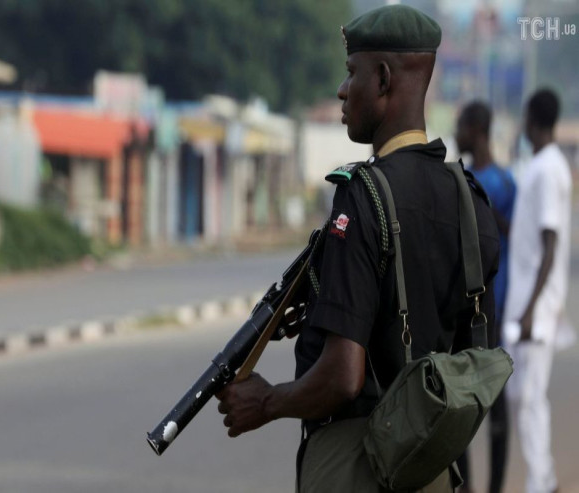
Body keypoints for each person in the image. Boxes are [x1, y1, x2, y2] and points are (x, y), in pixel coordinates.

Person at [215, 5, 500, 492]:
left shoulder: (362, 196)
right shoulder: (471, 200)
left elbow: (343, 377)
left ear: (384, 79)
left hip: (358, 467)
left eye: (352, 73)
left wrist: (265, 403)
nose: (343, 90)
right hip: (429, 468)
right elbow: (476, 354)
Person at [502, 88, 571, 493]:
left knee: (529, 398)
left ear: (533, 120)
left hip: (536, 306)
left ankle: (540, 481)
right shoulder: (544, 166)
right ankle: (540, 476)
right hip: (531, 302)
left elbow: (549, 243)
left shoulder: (547, 169)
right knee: (524, 396)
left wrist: (530, 310)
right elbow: (530, 238)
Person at [455, 101, 516, 493]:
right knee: (462, 400)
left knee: (486, 396)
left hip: (491, 304)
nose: (456, 134)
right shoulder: (461, 178)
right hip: (462, 306)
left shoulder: (500, 183)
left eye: (460, 126)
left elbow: (513, 235)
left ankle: (490, 487)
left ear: (476, 129)